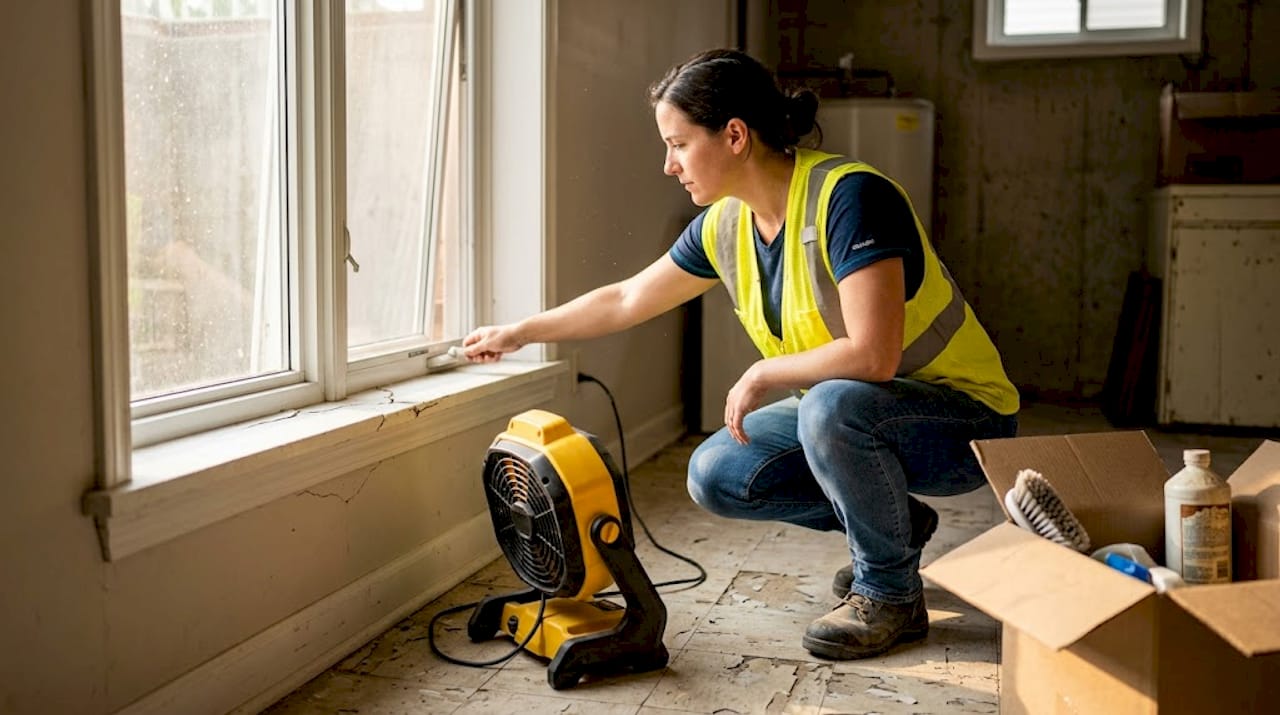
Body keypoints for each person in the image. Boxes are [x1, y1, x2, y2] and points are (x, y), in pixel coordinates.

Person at [460, 48, 1019, 660]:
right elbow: (625, 299)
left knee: (831, 407)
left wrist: (762, 371)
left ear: (733, 136)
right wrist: (518, 331)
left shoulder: (851, 197)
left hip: (963, 422)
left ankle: (889, 593)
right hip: (852, 414)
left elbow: (874, 356)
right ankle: (896, 531)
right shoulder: (726, 223)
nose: (668, 165)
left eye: (677, 144)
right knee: (719, 472)